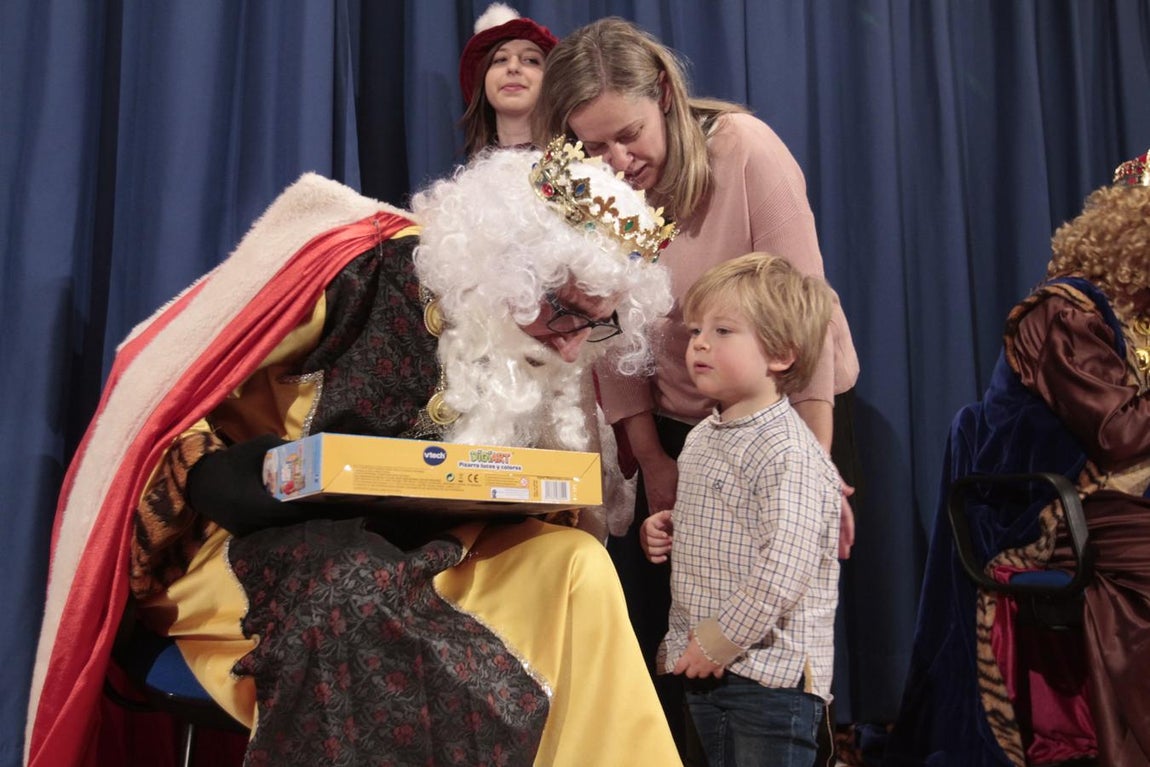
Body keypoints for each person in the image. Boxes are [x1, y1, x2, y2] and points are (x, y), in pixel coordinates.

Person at [25, 139, 684, 767]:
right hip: (253, 540)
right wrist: (208, 472)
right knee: (356, 594)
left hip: (429, 546)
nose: (571, 346)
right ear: (507, 268)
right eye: (564, 311)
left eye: (596, 323)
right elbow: (162, 378)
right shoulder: (355, 268)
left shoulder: (537, 344)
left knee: (576, 565)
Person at [537, 16, 860, 760]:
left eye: (628, 135)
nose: (617, 162)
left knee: (775, 635)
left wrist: (813, 470)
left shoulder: (746, 151)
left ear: (664, 95)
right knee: (683, 642)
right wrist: (652, 460)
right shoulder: (586, 191)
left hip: (791, 415)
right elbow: (610, 342)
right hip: (684, 430)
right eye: (592, 147)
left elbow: (804, 317)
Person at [885, 149, 1150, 767]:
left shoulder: (1136, 321)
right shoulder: (1065, 313)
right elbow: (1118, 434)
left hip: (1117, 506)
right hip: (1052, 515)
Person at [640, 252, 842, 767]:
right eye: (695, 330)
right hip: (705, 667)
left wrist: (718, 642)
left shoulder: (789, 452)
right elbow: (726, 524)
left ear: (781, 354)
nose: (700, 343)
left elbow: (783, 570)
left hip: (769, 682)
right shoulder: (703, 437)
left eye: (723, 331)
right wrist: (669, 528)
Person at [458, 3, 557, 157]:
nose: (513, 67)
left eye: (530, 60)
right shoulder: (470, 173)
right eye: (500, 59)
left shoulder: (577, 168)